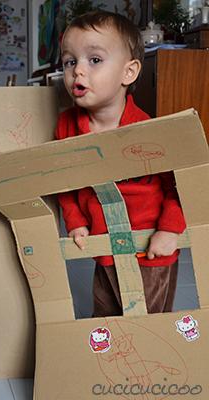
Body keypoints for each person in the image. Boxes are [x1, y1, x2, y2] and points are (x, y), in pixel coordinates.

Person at [56, 11, 186, 316]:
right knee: (105, 318)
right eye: (70, 62)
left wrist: (170, 230)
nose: (78, 72)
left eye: (95, 60)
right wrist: (75, 220)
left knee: (145, 326)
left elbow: (178, 187)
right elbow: (62, 181)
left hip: (149, 248)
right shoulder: (67, 126)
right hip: (104, 247)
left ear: (128, 73)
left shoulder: (148, 131)